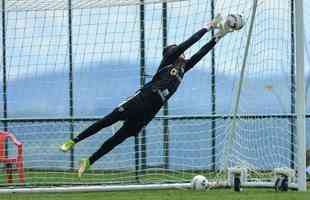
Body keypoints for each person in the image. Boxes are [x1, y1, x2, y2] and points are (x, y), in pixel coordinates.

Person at [59, 14, 244, 177]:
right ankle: (72, 142)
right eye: (176, 50)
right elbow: (190, 42)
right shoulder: (169, 59)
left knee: (119, 138)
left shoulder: (183, 68)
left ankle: (89, 162)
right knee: (107, 121)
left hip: (150, 111)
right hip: (143, 98)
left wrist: (220, 36)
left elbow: (201, 53)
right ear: (170, 53)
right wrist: (208, 26)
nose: (181, 53)